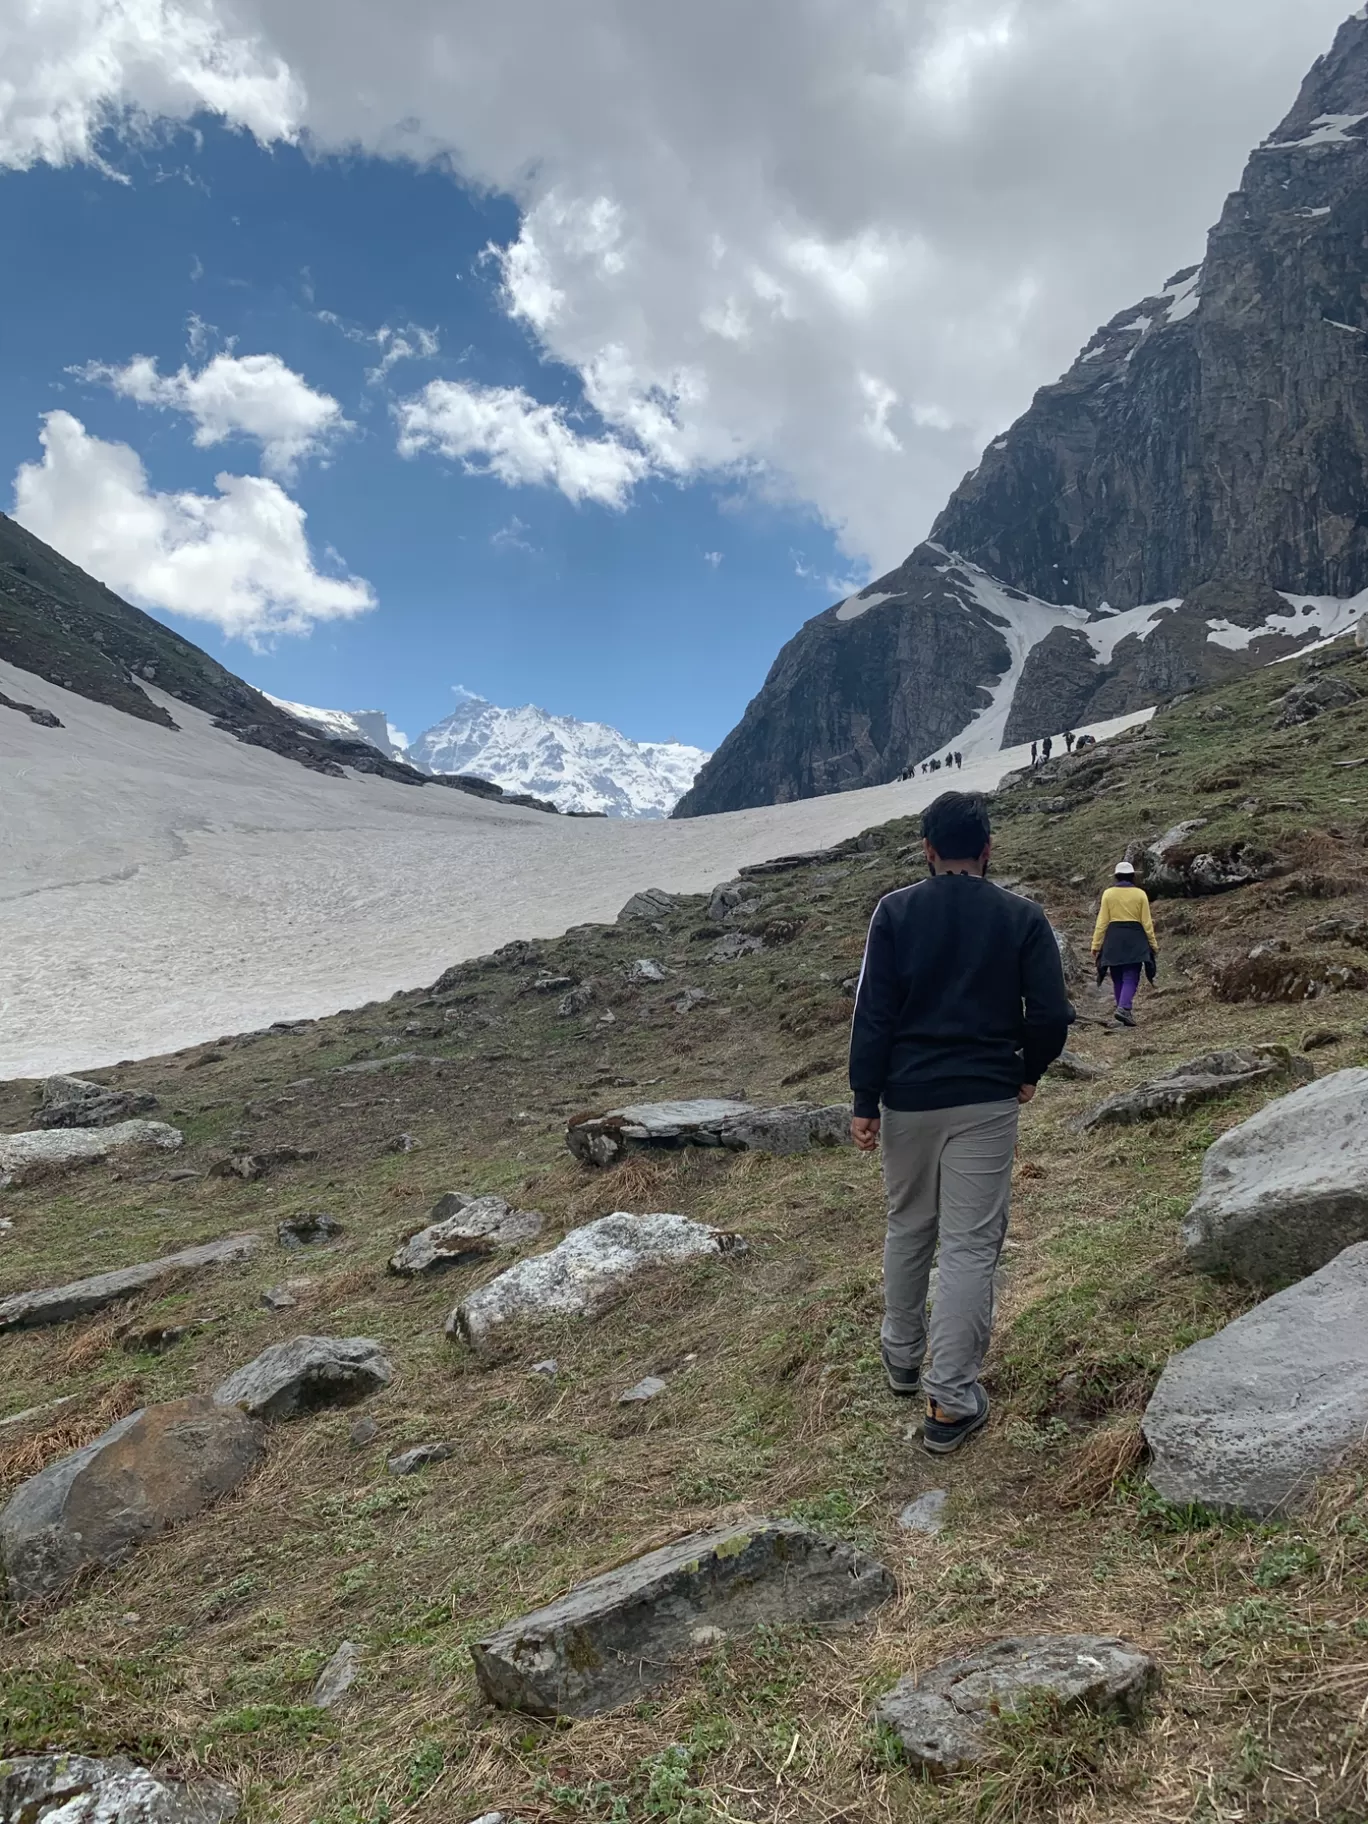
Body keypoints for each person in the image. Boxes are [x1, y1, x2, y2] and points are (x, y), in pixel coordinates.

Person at [849, 791, 1072, 1454]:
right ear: (987, 848)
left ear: (927, 848)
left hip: (908, 1098)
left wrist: (866, 1100)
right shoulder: (1021, 917)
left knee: (909, 1225)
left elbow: (874, 1014)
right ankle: (949, 1402)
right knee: (970, 1246)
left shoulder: (894, 911)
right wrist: (1029, 1069)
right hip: (985, 1096)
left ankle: (900, 1357)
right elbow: (1051, 1014)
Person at [1091, 860, 1158, 1027]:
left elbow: (1102, 921)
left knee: (1117, 975)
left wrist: (1096, 944)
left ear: (1116, 877)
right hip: (1135, 937)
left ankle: (1122, 1010)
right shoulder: (1140, 894)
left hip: (1113, 938)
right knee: (1131, 974)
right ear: (1132, 876)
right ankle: (1124, 1007)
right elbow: (1147, 923)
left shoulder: (1108, 894)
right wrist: (1153, 944)